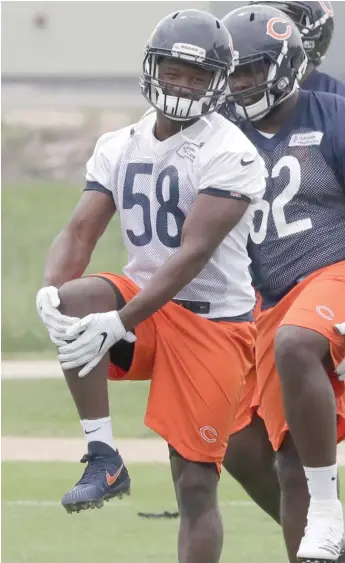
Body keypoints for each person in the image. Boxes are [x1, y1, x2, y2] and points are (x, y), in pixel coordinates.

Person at [36, 9, 266, 563]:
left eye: (196, 75)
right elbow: (80, 228)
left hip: (213, 321)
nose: (182, 84)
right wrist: (49, 288)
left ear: (217, 82)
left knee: (192, 483)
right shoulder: (120, 143)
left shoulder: (230, 150)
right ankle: (102, 456)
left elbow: (193, 254)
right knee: (75, 297)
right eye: (173, 70)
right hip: (149, 312)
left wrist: (121, 321)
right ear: (152, 68)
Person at [220, 4, 345, 563]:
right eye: (234, 71)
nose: (240, 83)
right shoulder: (217, 134)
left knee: (297, 342)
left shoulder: (333, 115)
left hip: (334, 271)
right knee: (265, 448)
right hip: (270, 296)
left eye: (252, 70)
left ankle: (328, 508)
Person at [250, 0, 345, 96]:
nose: (270, 33)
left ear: (319, 37)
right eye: (266, 21)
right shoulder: (243, 84)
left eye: (285, 23)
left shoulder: (336, 98)